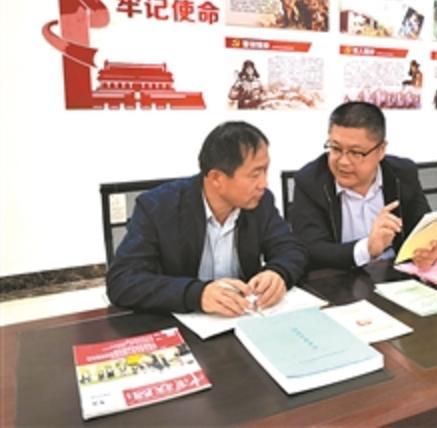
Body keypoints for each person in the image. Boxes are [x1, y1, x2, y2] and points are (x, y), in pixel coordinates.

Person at [107, 122, 307, 316]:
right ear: (216, 178)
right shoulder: (158, 207)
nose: (264, 183)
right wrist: (197, 294)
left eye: (265, 170)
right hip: (185, 323)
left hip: (244, 318)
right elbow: (122, 281)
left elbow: (291, 248)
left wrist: (278, 272)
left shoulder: (260, 202)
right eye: (255, 174)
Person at [291, 101, 437, 271]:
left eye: (356, 153)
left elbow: (425, 229)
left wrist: (428, 250)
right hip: (339, 278)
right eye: (336, 149)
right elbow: (310, 249)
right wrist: (367, 249)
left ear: (381, 150)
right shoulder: (310, 181)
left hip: (395, 275)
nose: (343, 162)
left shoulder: (403, 174)